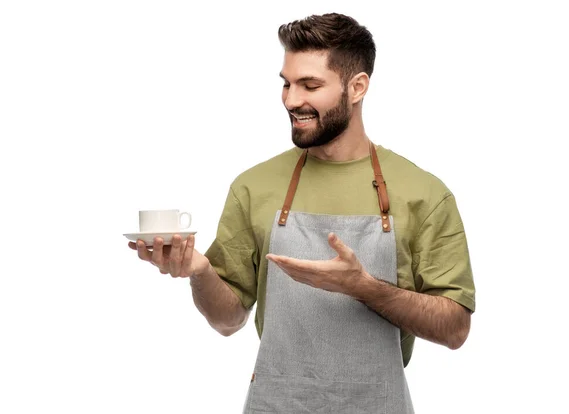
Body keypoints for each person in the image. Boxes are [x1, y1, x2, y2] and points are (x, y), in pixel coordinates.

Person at [129, 12, 476, 413]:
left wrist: (362, 286)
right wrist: (200, 272)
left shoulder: (424, 194)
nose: (292, 100)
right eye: (287, 84)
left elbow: (455, 329)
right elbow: (228, 321)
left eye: (310, 85)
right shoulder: (254, 186)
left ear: (357, 86)